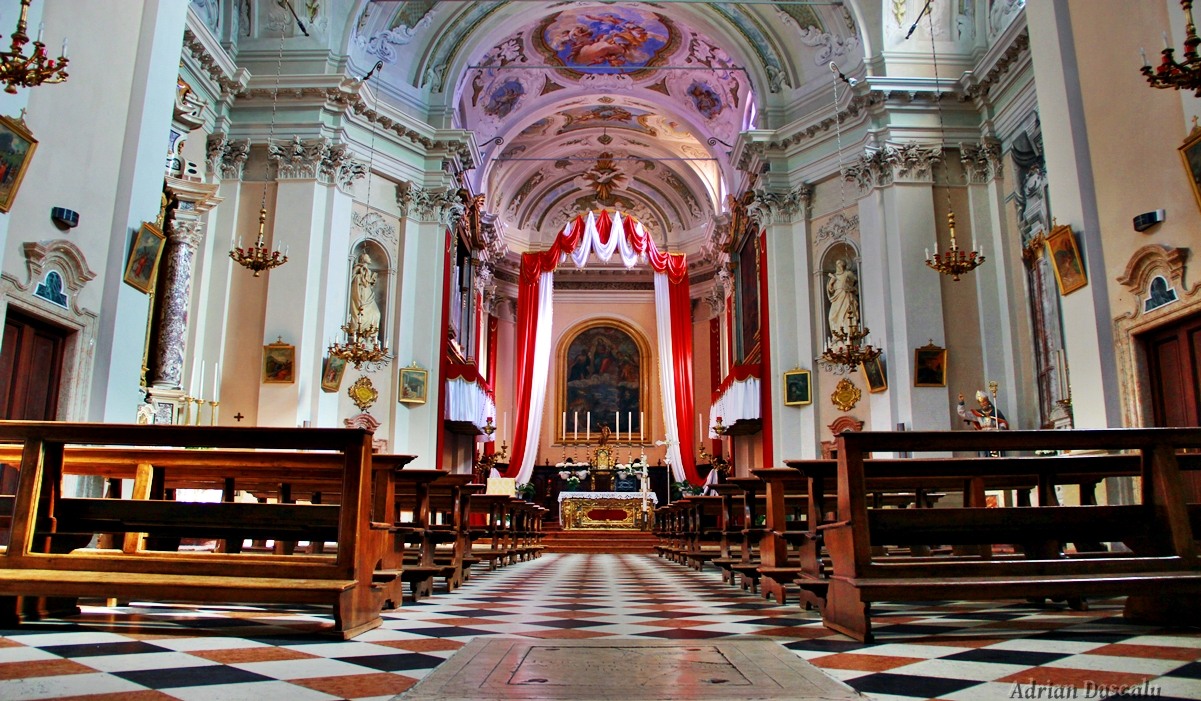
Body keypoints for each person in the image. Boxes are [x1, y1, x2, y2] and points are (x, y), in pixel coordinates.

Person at [349, 252, 381, 340]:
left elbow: (368, 283)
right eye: (368, 257)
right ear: (363, 259)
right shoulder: (358, 268)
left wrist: (372, 281)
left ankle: (371, 336)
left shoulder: (368, 270)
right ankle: (357, 334)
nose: (370, 259)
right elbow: (351, 278)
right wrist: (360, 277)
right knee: (360, 312)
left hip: (368, 293)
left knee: (376, 313)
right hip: (360, 292)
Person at [826, 258, 860, 332]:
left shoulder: (848, 273)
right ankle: (837, 335)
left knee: (847, 315)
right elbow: (830, 290)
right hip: (837, 297)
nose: (838, 266)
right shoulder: (834, 276)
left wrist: (850, 287)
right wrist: (831, 283)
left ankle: (848, 334)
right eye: (837, 264)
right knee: (832, 317)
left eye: (840, 264)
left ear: (844, 265)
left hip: (846, 295)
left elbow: (857, 282)